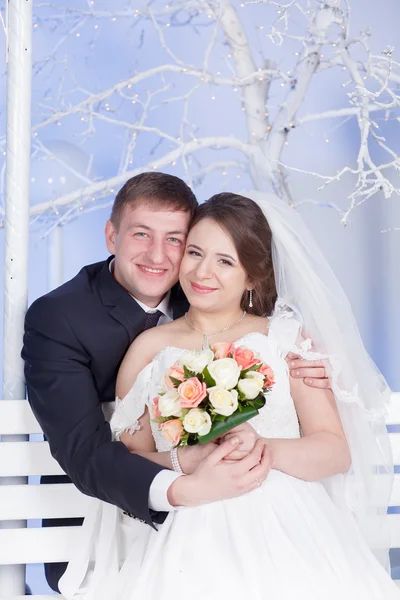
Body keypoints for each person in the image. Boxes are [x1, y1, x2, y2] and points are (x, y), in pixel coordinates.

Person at [58, 191, 397, 600]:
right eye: (195, 253)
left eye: (225, 261)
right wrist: (190, 461)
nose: (203, 272)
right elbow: (131, 456)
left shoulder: (283, 339)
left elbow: (334, 452)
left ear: (252, 276)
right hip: (191, 521)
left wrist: (258, 445)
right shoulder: (151, 349)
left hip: (289, 523)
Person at [22, 174, 327, 591]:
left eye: (176, 240)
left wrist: (315, 371)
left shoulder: (208, 291)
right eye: (141, 234)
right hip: (119, 508)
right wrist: (188, 479)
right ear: (111, 235)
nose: (157, 255)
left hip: (262, 509)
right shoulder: (60, 317)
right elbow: (87, 454)